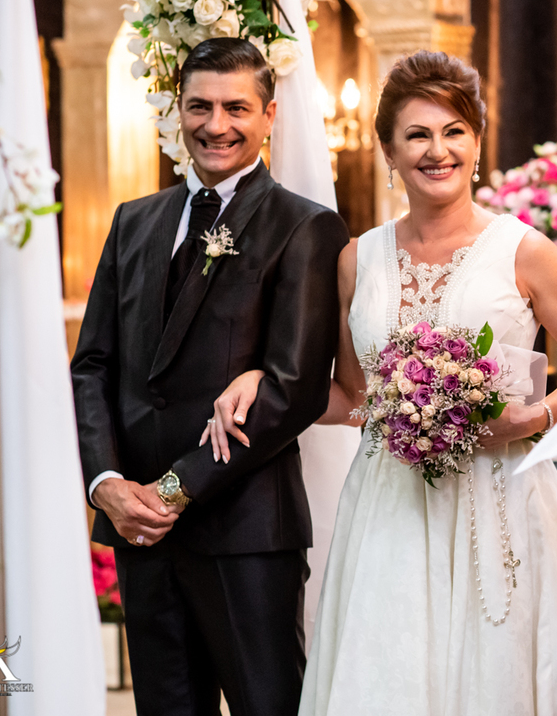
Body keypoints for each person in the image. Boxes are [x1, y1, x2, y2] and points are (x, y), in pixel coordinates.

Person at [205, 50, 557, 715]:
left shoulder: (526, 251)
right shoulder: (355, 258)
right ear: (388, 150)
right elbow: (349, 394)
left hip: (501, 504)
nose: (437, 150)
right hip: (388, 505)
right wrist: (261, 379)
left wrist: (529, 418)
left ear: (478, 142)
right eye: (417, 135)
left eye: (454, 131)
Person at [72, 38, 349, 716]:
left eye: (235, 107)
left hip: (246, 532)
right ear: (178, 109)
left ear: (269, 114)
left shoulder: (304, 226)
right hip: (139, 530)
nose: (215, 123)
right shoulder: (133, 221)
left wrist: (172, 489)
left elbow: (293, 388)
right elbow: (93, 367)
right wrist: (108, 485)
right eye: (199, 105)